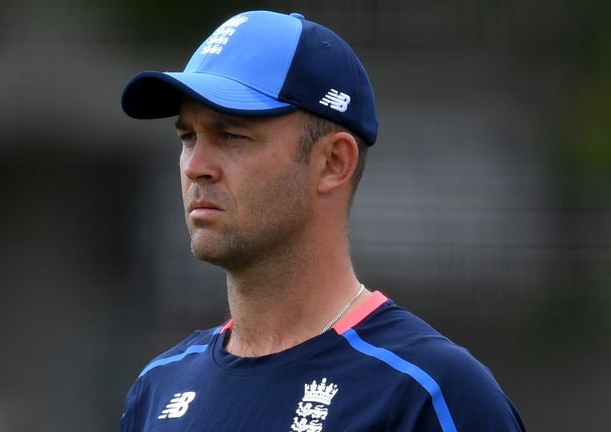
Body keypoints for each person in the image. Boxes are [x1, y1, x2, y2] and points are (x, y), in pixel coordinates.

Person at [119, 10, 526, 432]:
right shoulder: (158, 388)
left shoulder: (429, 393)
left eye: (231, 135)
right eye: (188, 137)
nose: (195, 166)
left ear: (333, 162)